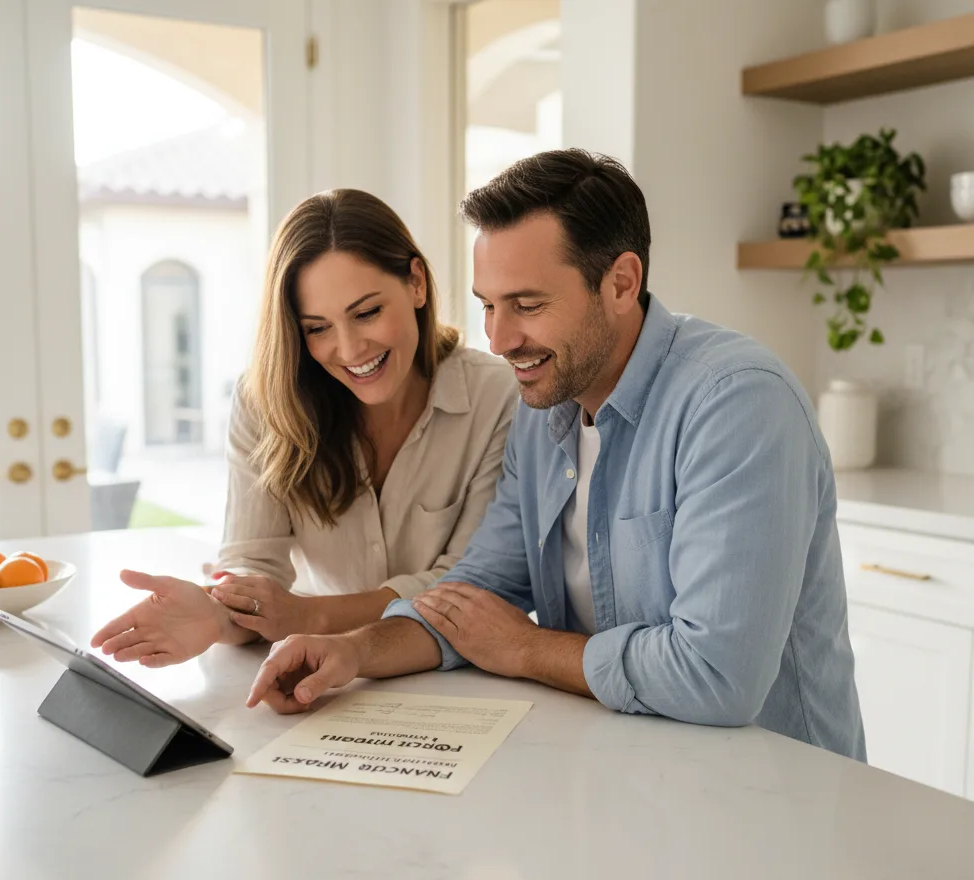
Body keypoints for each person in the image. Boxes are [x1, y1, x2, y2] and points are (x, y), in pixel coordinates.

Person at [247, 149, 866, 761]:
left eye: (528, 305)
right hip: (629, 771)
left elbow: (715, 675)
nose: (499, 338)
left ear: (621, 282)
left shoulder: (735, 404)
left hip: (774, 800)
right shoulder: (544, 411)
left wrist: (526, 648)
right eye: (488, 305)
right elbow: (477, 593)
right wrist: (355, 652)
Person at [91, 189, 517, 668]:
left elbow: (467, 587)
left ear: (416, 283)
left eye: (367, 312)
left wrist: (306, 616)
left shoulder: (497, 396)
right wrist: (215, 613)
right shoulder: (265, 402)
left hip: (457, 681)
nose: (351, 349)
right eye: (317, 328)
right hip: (313, 674)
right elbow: (254, 564)